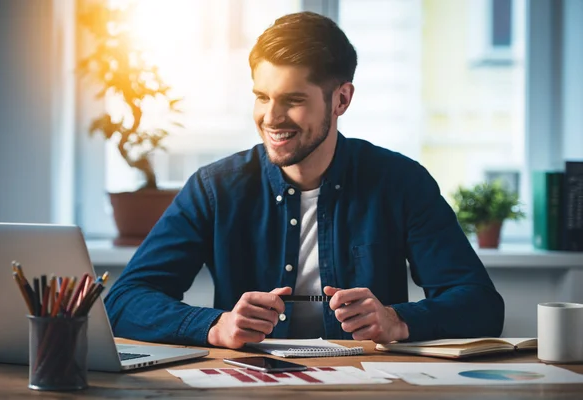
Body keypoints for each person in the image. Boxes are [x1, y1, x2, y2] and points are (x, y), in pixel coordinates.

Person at [105, 12, 504, 349]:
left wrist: (398, 321)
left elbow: (481, 305)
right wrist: (215, 326)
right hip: (247, 386)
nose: (271, 118)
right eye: (262, 97)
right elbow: (124, 301)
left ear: (341, 100)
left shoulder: (400, 183)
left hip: (369, 387)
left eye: (293, 101)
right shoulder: (215, 188)